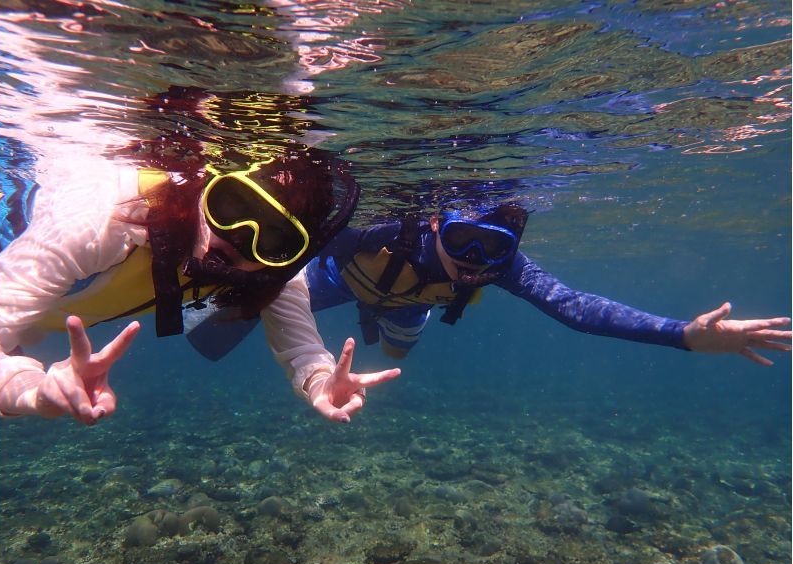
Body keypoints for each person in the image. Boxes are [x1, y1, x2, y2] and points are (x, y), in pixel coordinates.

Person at [0, 145, 401, 426]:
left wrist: (322, 382)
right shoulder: (104, 219)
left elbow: (303, 350)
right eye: (233, 206)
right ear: (205, 186)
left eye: (275, 237)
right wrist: (28, 390)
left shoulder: (272, 269)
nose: (239, 237)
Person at [305, 204, 791, 362]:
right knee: (267, 301)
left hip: (409, 308)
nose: (474, 262)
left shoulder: (506, 269)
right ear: (435, 224)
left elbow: (574, 307)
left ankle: (396, 321)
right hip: (340, 281)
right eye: (463, 240)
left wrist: (682, 334)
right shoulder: (382, 233)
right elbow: (299, 242)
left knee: (394, 356)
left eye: (493, 248)